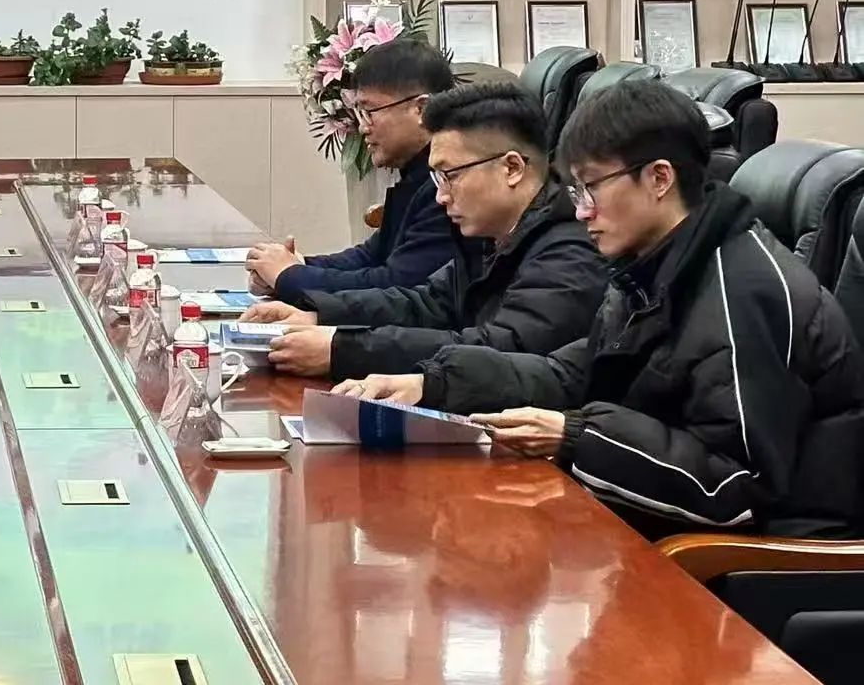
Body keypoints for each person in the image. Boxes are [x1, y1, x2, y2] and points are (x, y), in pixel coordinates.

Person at [337, 81, 864, 539]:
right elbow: (575, 372)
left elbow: (735, 486)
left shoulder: (744, 292)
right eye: (575, 189)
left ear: (659, 178)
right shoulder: (654, 262)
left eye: (591, 187)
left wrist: (577, 437)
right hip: (655, 522)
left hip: (752, 563)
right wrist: (433, 384)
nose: (581, 209)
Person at [242, 83, 608, 380]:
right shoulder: (490, 235)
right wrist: (319, 316)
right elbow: (426, 303)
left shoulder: (570, 252)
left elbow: (500, 348)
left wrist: (342, 349)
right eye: (436, 178)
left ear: (511, 168)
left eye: (450, 175)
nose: (440, 196)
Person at [248, 38, 459, 300]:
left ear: (421, 109)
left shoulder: (449, 184)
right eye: (359, 114)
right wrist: (295, 266)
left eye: (370, 112)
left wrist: (289, 276)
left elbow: (396, 285)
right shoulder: (416, 174)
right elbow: (371, 256)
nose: (362, 127)